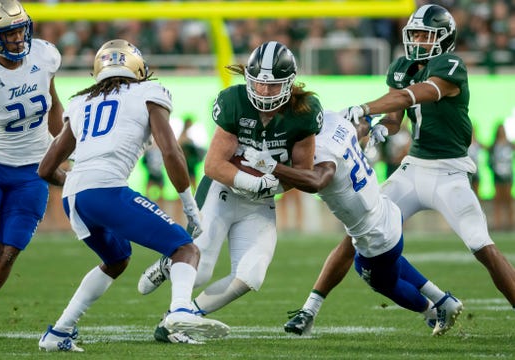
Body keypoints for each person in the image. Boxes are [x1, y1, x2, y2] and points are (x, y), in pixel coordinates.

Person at [284, 4, 515, 335]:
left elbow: (414, 96)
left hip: (450, 173)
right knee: (358, 232)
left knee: (482, 246)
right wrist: (381, 128)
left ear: (445, 39)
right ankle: (309, 310)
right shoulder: (402, 67)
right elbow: (395, 119)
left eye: (426, 35)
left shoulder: (451, 66)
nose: (419, 41)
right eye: (415, 35)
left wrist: (366, 108)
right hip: (413, 168)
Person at [36, 39, 229, 351]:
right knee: (185, 249)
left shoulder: (80, 101)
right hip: (107, 189)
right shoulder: (149, 92)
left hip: (74, 198)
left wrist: (79, 182)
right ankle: (180, 311)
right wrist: (190, 206)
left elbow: (46, 169)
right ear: (138, 68)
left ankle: (59, 332)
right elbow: (171, 152)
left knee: (116, 259)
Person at [137, 40, 323, 341]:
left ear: (289, 84)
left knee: (251, 275)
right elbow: (213, 165)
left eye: (273, 86)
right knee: (202, 269)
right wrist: (253, 182)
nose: (264, 92)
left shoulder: (304, 111)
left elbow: (303, 172)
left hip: (261, 201)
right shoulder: (234, 100)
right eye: (259, 84)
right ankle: (168, 263)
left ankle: (186, 318)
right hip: (222, 192)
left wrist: (273, 184)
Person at [243, 110, 463, 336]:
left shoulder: (321, 153)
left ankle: (433, 312)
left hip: (373, 233)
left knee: (379, 278)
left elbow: (316, 180)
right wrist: (373, 120)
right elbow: (361, 124)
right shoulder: (335, 122)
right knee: (380, 259)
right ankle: (441, 299)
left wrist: (272, 167)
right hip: (386, 211)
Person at [0, 0, 64, 317]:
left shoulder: (45, 54)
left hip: (33, 173)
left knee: (9, 250)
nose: (17, 38)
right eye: (8, 32)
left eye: (20, 29)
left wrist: (62, 149)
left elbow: (53, 103)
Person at [488, 123, 514, 231]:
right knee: (497, 200)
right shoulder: (493, 146)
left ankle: (510, 223)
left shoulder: (509, 145)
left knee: (508, 200)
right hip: (497, 176)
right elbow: (489, 161)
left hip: (507, 175)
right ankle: (497, 224)